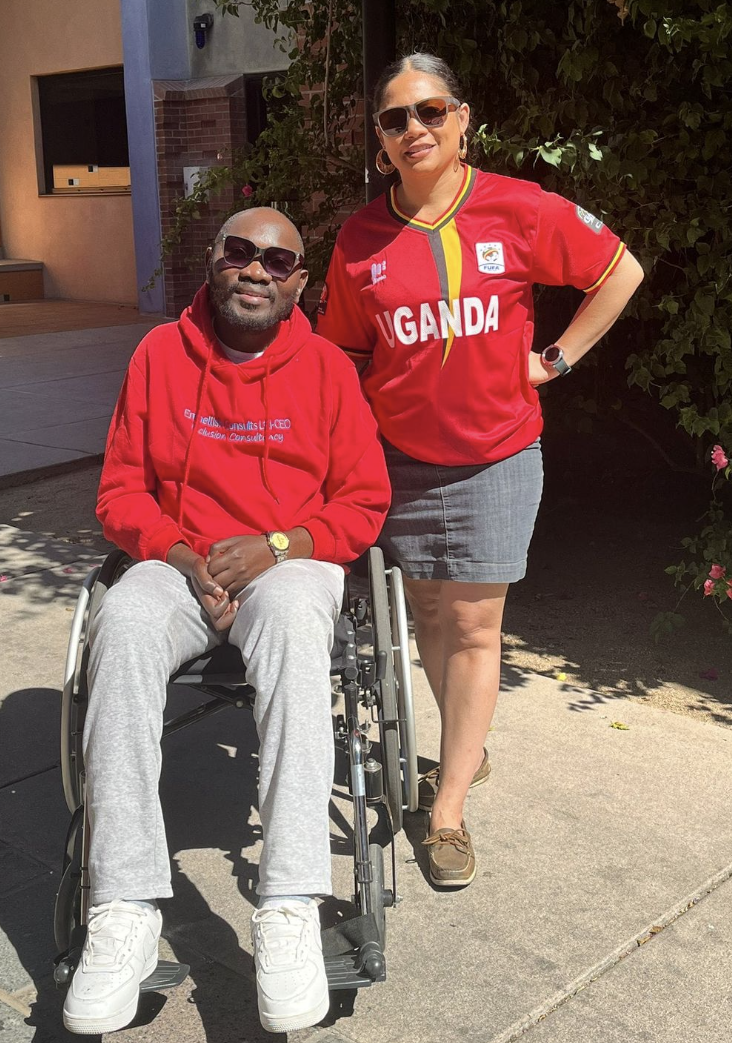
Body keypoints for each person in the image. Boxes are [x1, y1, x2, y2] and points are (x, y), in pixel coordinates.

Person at [318, 53, 644, 889]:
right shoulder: (360, 240)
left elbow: (620, 271)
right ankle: (468, 744)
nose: (413, 130)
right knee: (428, 611)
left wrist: (558, 359)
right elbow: (345, 357)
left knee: (473, 627)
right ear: (381, 140)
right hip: (397, 462)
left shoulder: (517, 207)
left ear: (462, 118)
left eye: (429, 111)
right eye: (395, 119)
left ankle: (450, 806)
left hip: (497, 458)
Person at [62, 208, 390, 1036]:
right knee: (125, 623)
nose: (256, 270)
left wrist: (281, 545)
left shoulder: (325, 370)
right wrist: (179, 556)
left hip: (285, 565)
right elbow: (120, 493)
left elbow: (363, 501)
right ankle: (126, 909)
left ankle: (287, 906)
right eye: (240, 252)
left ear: (298, 283)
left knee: (289, 623)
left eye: (277, 261)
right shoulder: (157, 356)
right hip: (179, 565)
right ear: (212, 262)